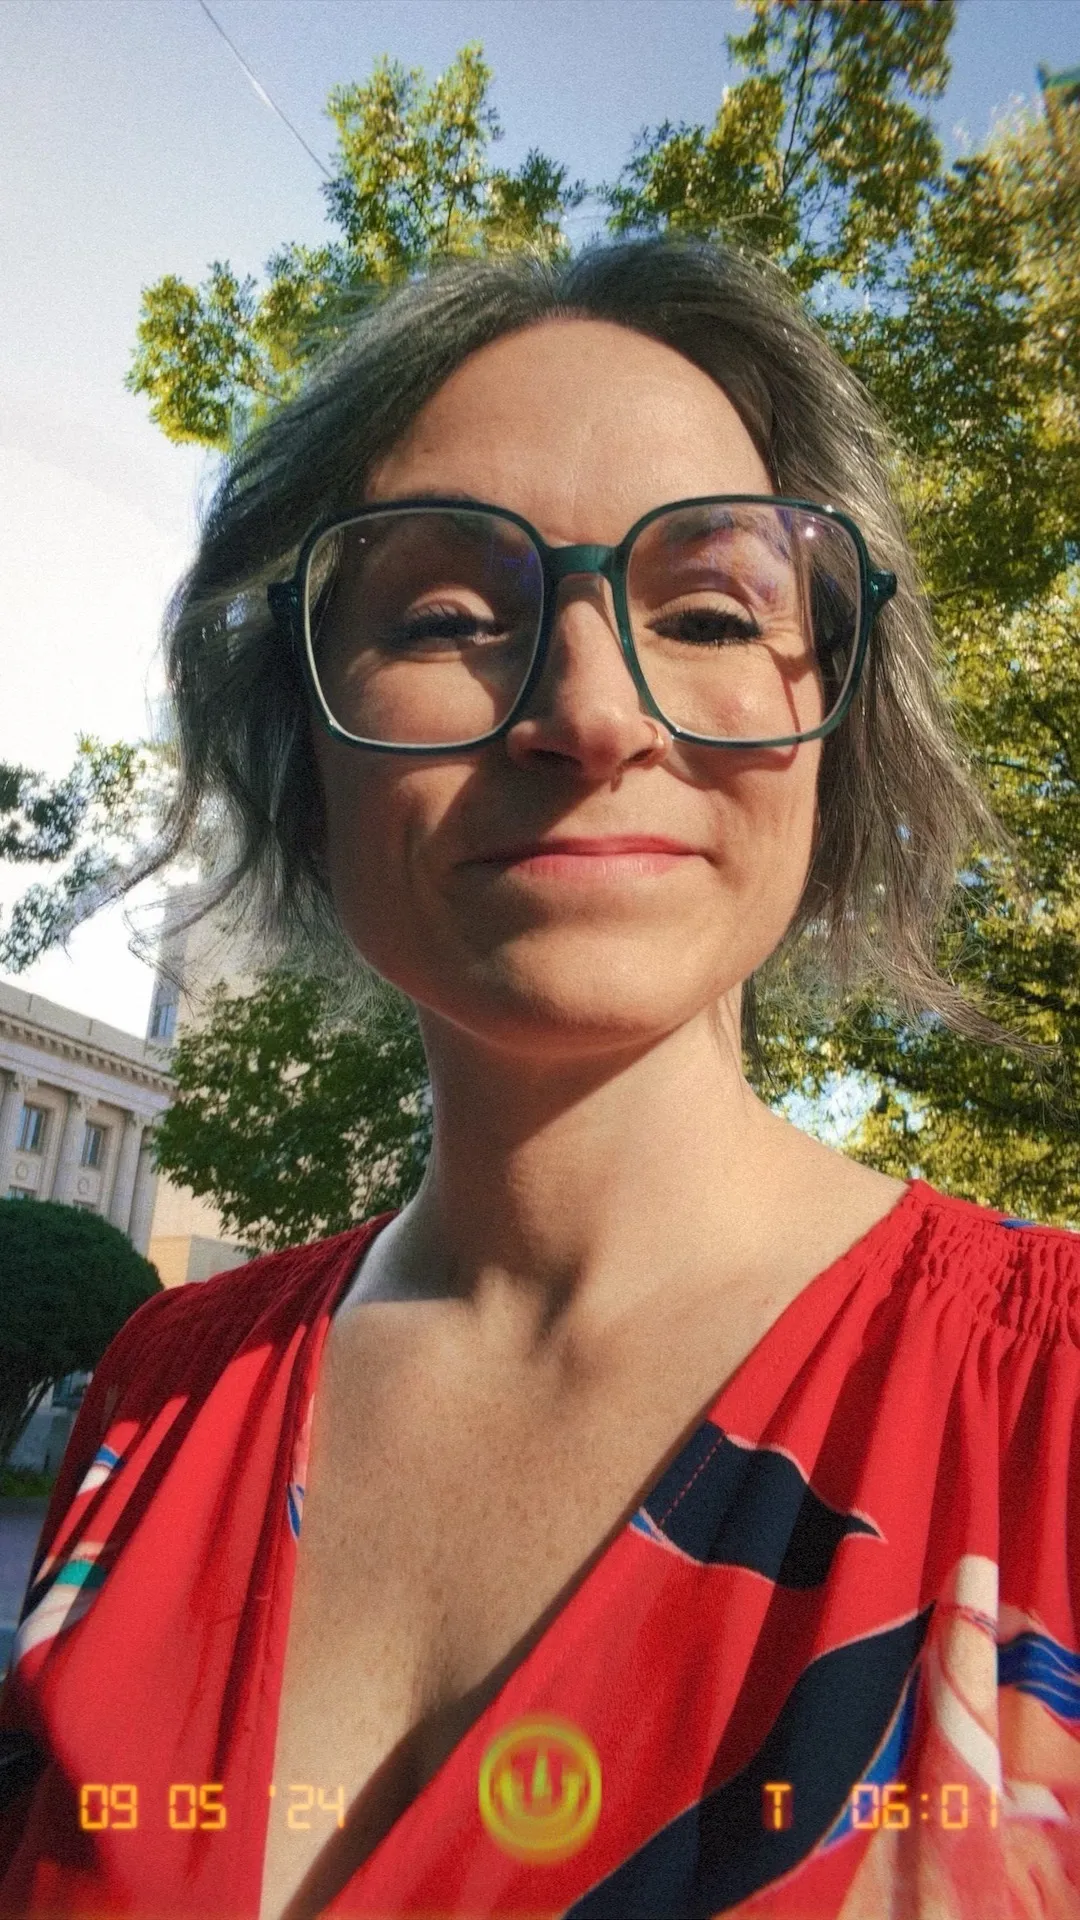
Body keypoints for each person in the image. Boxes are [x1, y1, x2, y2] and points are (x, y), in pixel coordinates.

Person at [1, 236, 1077, 1920]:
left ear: (833, 728)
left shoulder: (1050, 1412)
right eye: (446, 616)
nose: (588, 711)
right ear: (303, 754)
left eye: (710, 611)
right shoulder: (157, 1398)